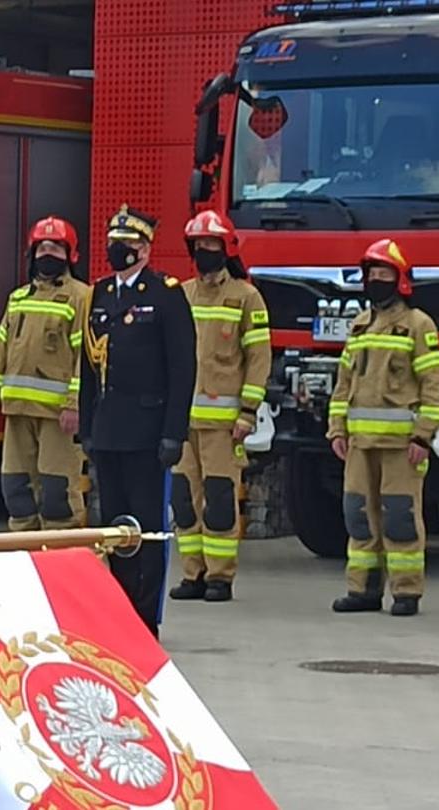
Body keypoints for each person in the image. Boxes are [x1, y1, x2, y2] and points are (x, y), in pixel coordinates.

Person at [81, 205, 196, 636]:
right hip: (109, 431)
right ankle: (118, 613)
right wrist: (88, 428)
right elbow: (88, 370)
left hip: (148, 432)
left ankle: (145, 621)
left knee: (146, 531)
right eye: (114, 243)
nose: (118, 250)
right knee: (115, 529)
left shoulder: (165, 293)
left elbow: (182, 367)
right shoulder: (99, 294)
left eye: (127, 244)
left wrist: (173, 432)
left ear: (145, 249)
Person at [325, 239, 439, 617]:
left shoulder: (418, 325)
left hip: (401, 446)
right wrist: (336, 429)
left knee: (400, 517)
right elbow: (344, 382)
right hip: (359, 444)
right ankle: (361, 590)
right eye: (372, 274)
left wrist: (424, 435)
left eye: (384, 274)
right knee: (359, 515)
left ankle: (406, 592)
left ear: (401, 280)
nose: (376, 280)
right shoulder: (360, 325)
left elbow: (432, 384)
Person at [168, 211, 271, 604]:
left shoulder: (246, 297)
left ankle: (221, 577)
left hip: (225, 425)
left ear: (225, 249)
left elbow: (259, 357)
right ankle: (192, 574)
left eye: (211, 245)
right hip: (182, 422)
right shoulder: (183, 293)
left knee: (220, 499)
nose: (204, 252)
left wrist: (248, 411)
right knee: (183, 499)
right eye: (198, 246)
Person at [0, 217, 93, 532]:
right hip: (17, 413)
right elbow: (0, 351)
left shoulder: (82, 297)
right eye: (42, 247)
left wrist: (74, 404)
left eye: (56, 248)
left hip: (57, 416)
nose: (48, 253)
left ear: (70, 255)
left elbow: (84, 358)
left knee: (58, 497)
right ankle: (25, 565)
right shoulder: (18, 299)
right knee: (16, 493)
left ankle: (61, 570)